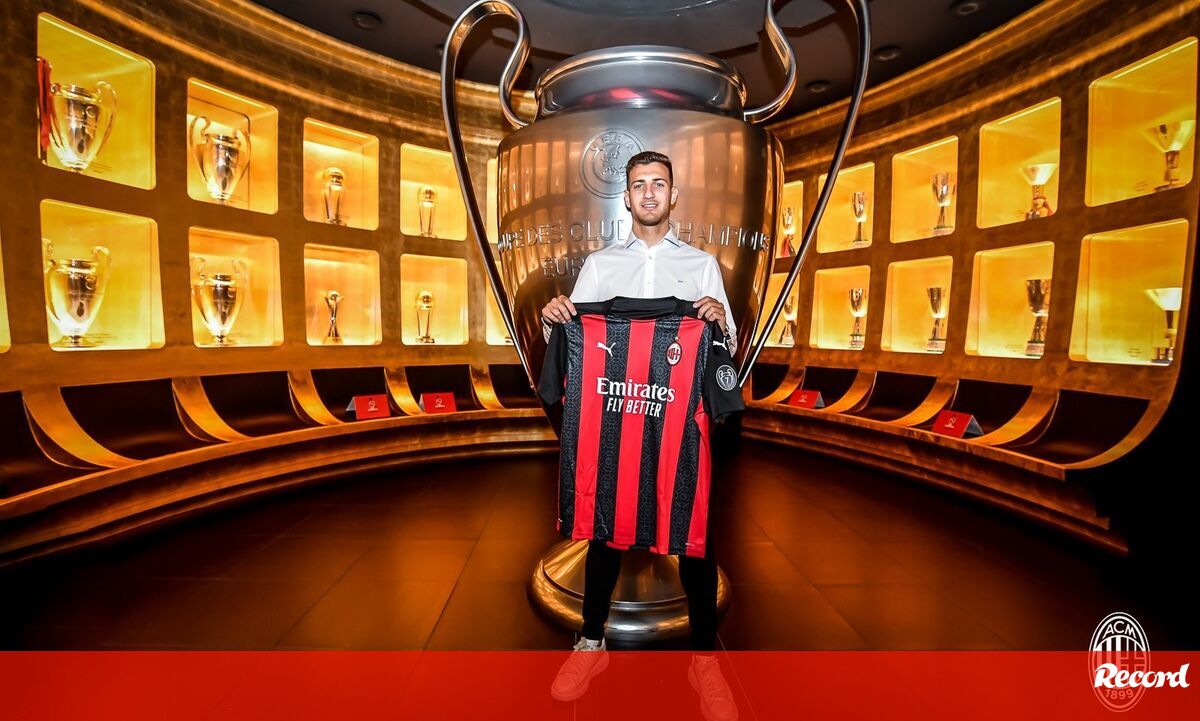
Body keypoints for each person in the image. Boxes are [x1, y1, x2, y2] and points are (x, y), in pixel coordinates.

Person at [541, 150, 739, 721]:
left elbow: (725, 350)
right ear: (626, 197)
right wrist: (557, 318)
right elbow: (575, 345)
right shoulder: (599, 265)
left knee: (693, 536)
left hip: (677, 425)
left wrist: (719, 322)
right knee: (605, 531)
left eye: (659, 183)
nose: (649, 193)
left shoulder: (702, 265)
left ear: (673, 195)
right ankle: (592, 641)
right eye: (638, 185)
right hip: (614, 424)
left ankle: (704, 660)